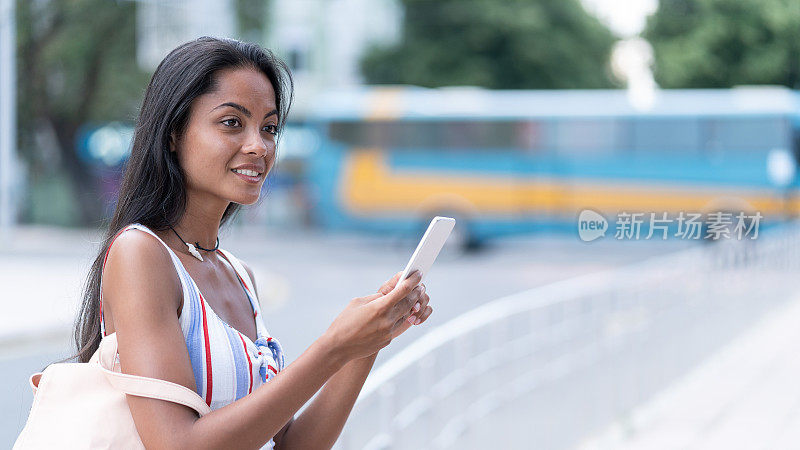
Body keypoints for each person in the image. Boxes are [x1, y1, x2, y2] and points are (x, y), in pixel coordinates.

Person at [69, 36, 432, 449]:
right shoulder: (141, 254)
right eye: (231, 123)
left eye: (270, 127)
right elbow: (175, 444)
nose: (258, 146)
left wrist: (365, 343)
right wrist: (332, 347)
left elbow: (290, 445)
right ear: (173, 133)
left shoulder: (239, 276)